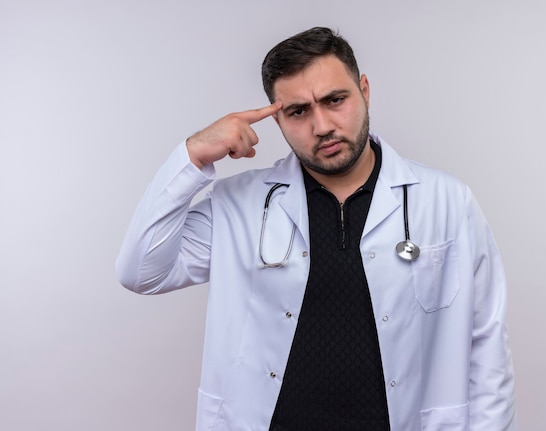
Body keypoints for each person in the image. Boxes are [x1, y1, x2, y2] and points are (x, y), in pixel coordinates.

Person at [116, 26, 516, 431]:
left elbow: (485, 346)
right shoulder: (239, 204)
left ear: (364, 90)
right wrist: (193, 154)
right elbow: (142, 271)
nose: (322, 125)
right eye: (298, 111)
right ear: (277, 118)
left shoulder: (446, 201)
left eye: (335, 100)